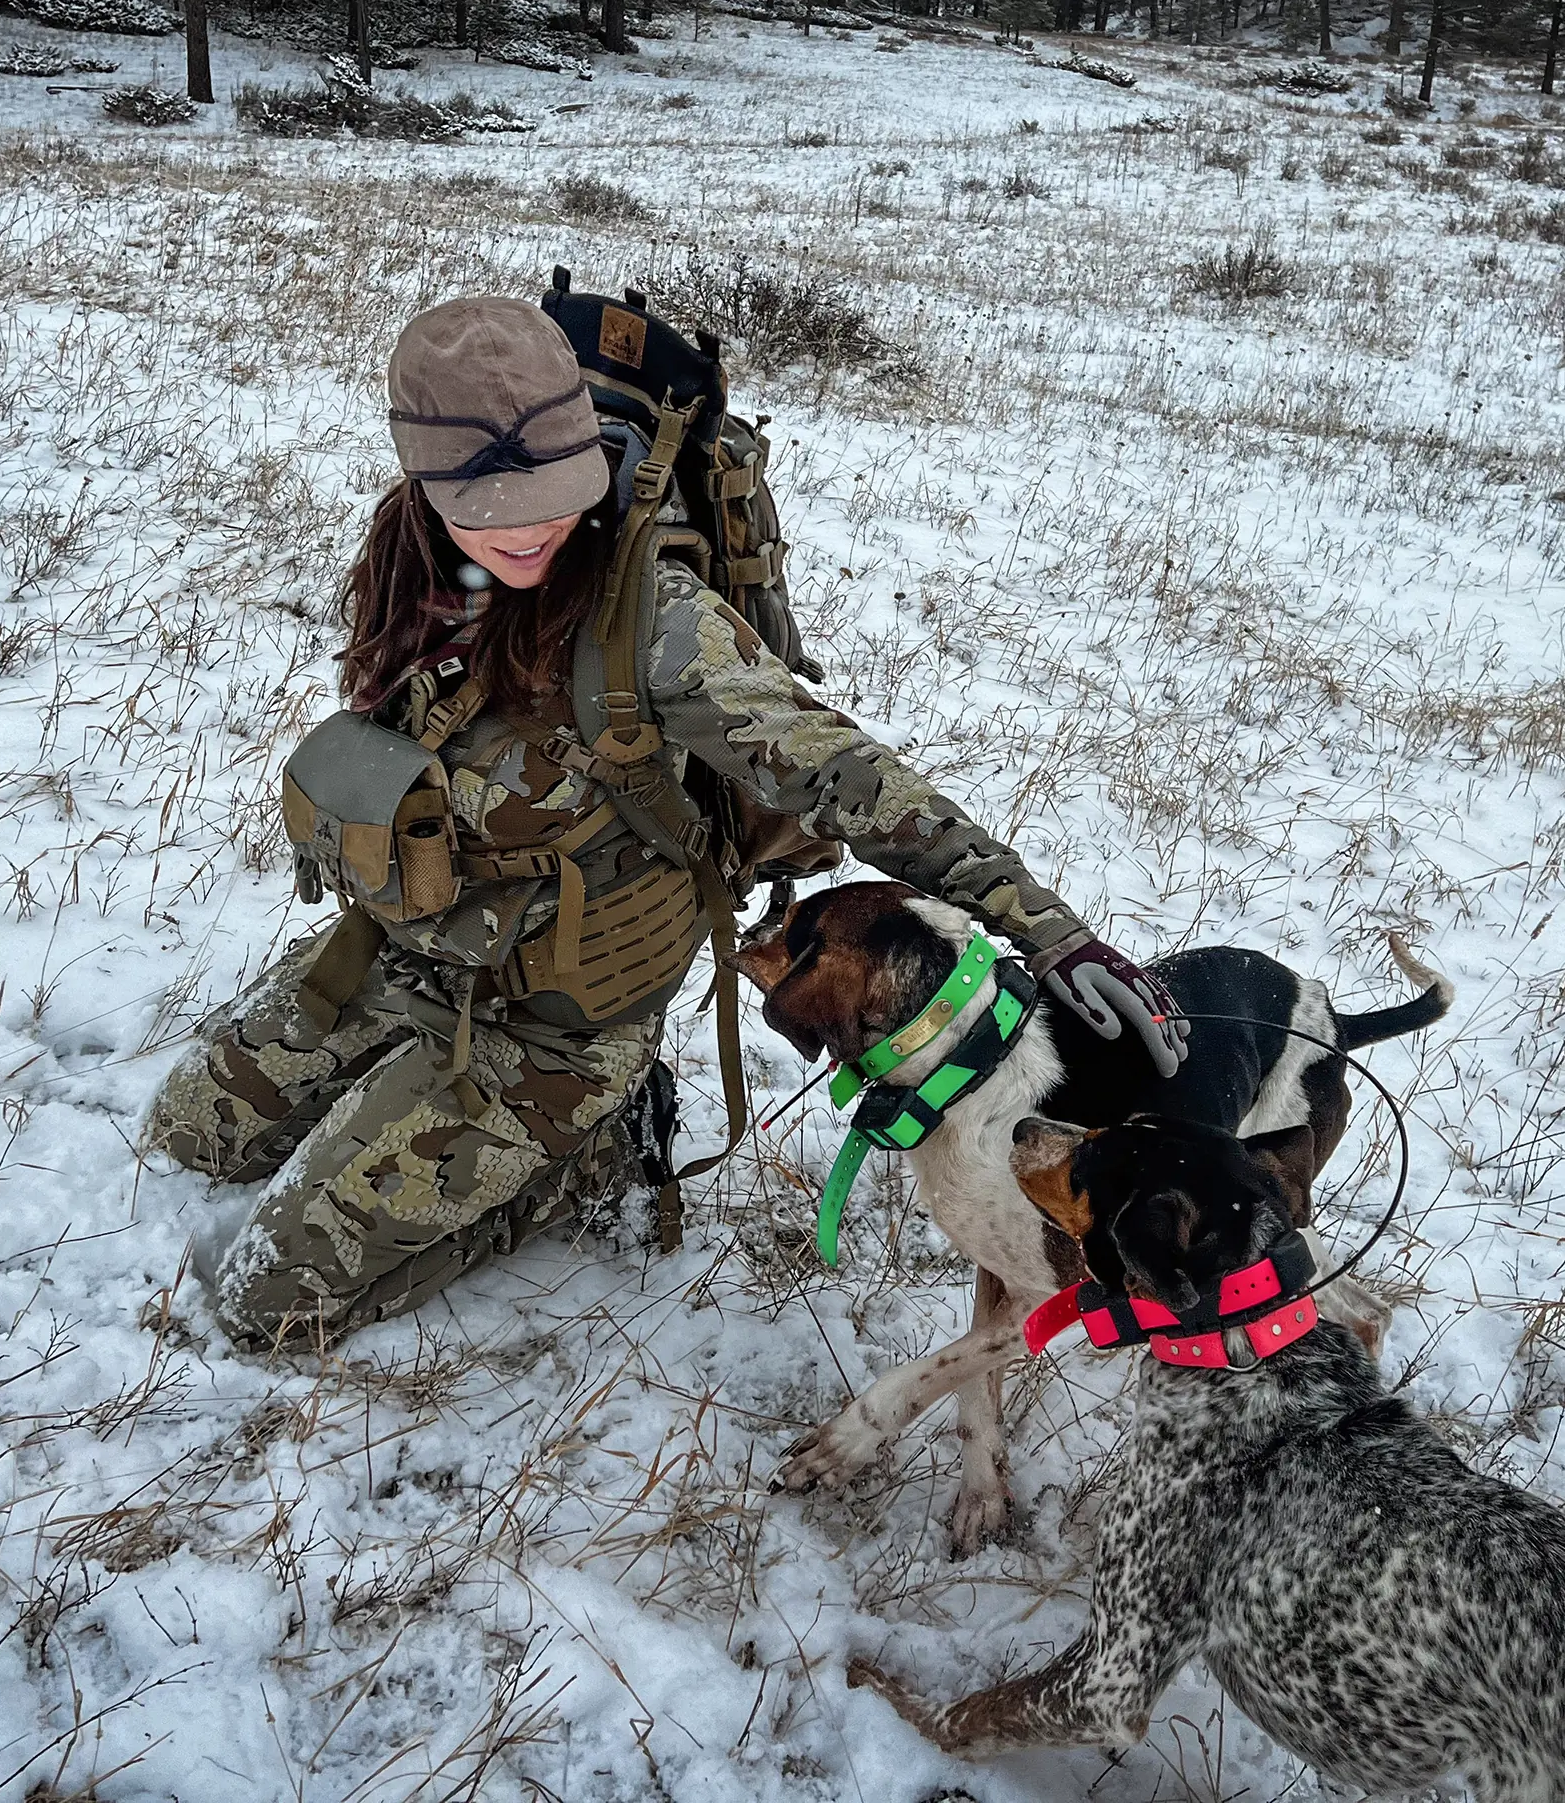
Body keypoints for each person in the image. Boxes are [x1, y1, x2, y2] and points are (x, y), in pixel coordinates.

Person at [145, 295, 1186, 1350]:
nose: (529, 526)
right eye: (488, 506)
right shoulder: (405, 556)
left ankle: (592, 1145)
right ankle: (405, 1092)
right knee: (189, 1131)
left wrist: (1046, 926)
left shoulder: (654, 620)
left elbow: (852, 779)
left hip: (552, 1023)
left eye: (551, 492)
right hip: (411, 948)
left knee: (271, 1302)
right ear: (422, 480)